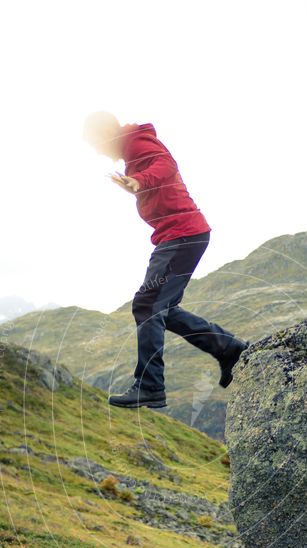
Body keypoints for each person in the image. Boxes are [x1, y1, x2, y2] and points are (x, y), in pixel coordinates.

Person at [82, 112, 248, 409]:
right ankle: (229, 349)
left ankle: (150, 386)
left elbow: (166, 165)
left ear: (107, 132)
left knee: (147, 305)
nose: (95, 150)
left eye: (94, 142)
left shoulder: (136, 143)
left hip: (182, 236)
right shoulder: (131, 153)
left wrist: (139, 181)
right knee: (162, 309)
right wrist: (137, 180)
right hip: (183, 236)